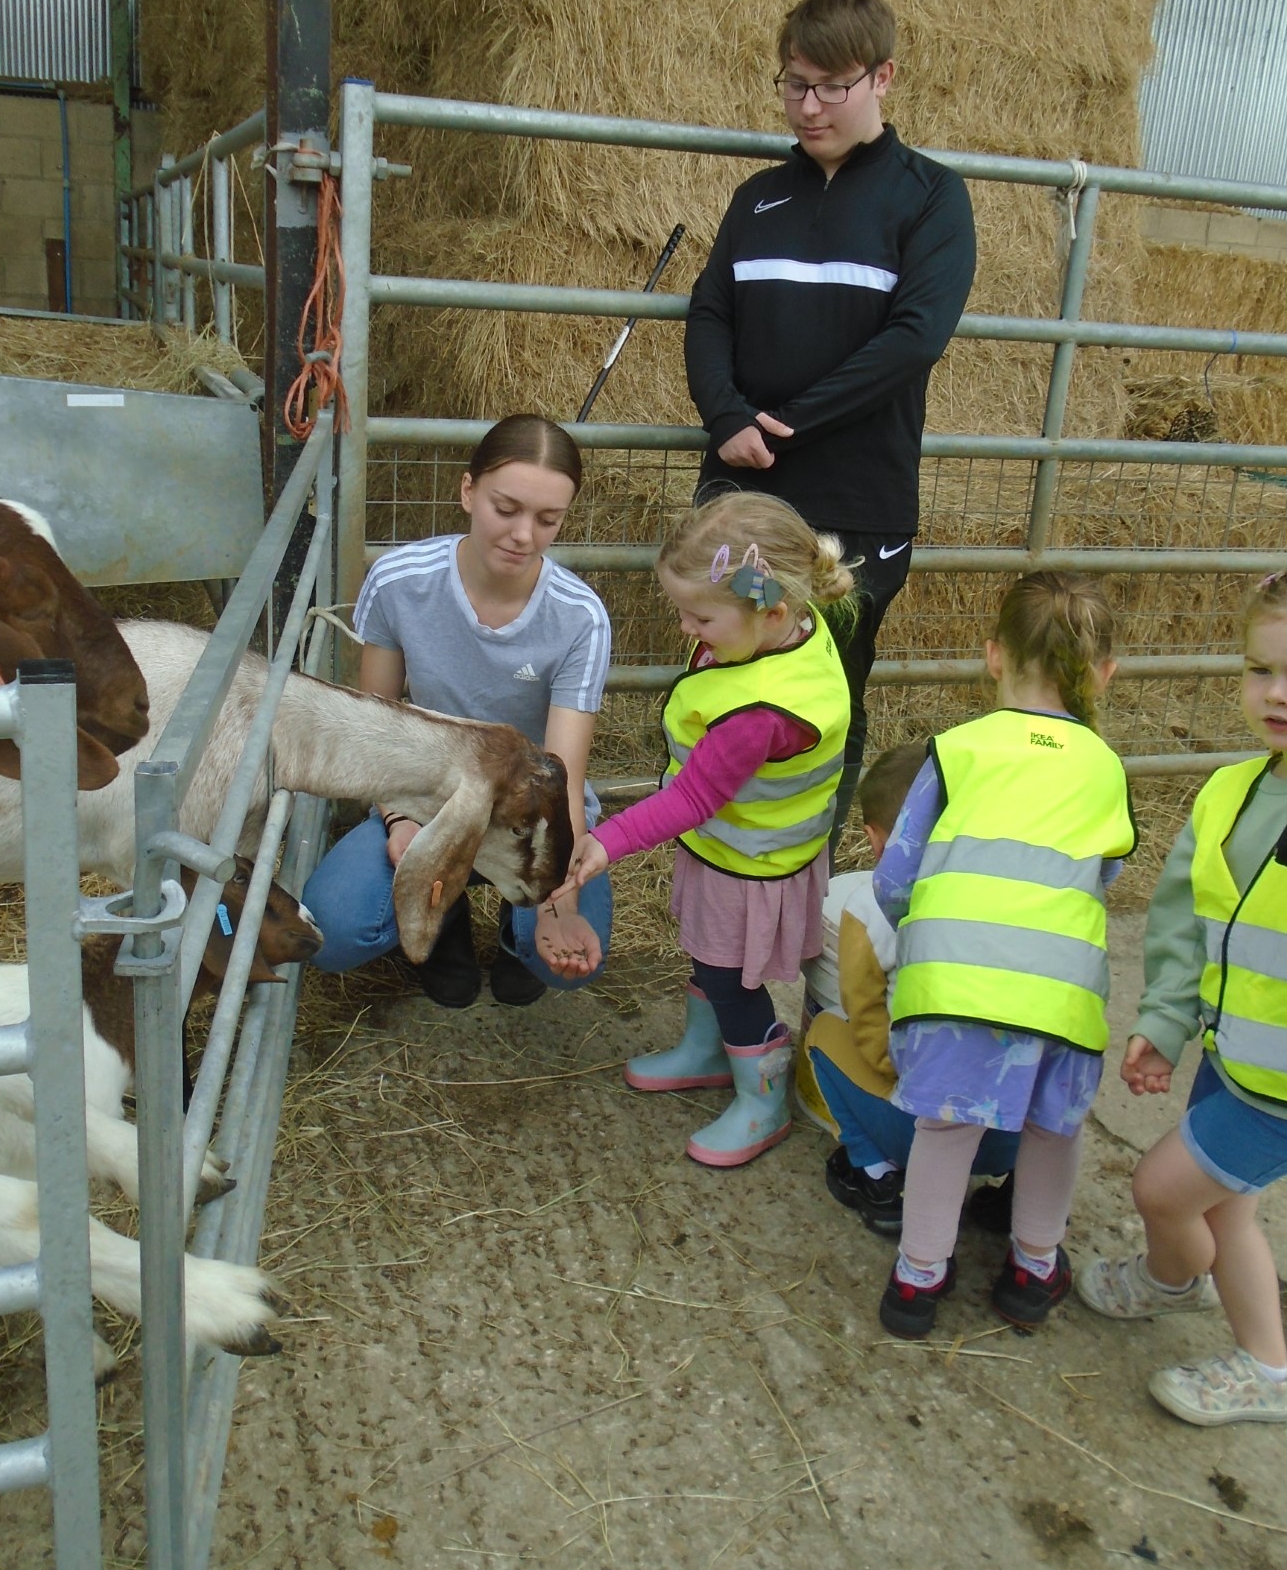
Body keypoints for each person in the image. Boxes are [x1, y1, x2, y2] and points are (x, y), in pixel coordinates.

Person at [684, 0, 977, 846]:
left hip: (854, 510)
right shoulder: (758, 199)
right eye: (792, 84)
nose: (807, 107)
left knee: (825, 687)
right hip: (746, 498)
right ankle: (719, 853)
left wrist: (790, 423)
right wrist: (726, 414)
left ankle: (800, 862)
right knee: (734, 657)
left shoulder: (930, 198)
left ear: (882, 77)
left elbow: (917, 336)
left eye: (830, 87)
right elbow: (710, 312)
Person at [872, 572, 1136, 1340]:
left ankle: (917, 1281)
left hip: (952, 978)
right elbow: (1105, 873)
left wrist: (923, 937)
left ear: (993, 656)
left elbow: (897, 876)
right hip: (1061, 992)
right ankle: (1032, 1267)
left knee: (945, 1129)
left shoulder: (956, 751)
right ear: (1105, 674)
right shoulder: (1106, 768)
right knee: (1055, 1129)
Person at [553, 491, 852, 1168]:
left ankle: (763, 1094)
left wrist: (605, 841)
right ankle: (704, 1050)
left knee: (728, 976)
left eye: (700, 615)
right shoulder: (788, 629)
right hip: (736, 848)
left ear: (771, 611)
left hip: (750, 864)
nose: (687, 628)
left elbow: (693, 797)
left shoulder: (760, 714)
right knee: (709, 954)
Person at [303, 415, 612, 1008]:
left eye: (548, 520)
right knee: (334, 932)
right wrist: (400, 822)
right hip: (426, 793)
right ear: (468, 491)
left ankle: (516, 933)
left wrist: (556, 905)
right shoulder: (399, 581)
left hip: (531, 810)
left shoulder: (580, 617)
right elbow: (378, 728)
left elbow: (562, 774)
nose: (524, 534)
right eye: (506, 508)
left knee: (566, 957)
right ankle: (442, 923)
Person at [1079, 571, 1287, 1427]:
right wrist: (1166, 1021)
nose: (1275, 694)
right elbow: (1181, 925)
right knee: (1222, 1202)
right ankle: (1179, 1286)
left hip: (1278, 1088)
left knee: (1164, 1190)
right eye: (1259, 668)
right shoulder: (1230, 792)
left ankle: (1266, 1367)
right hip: (1234, 1053)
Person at [798, 741, 1019, 1238]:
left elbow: (871, 1025)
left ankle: (877, 1177)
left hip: (927, 1132)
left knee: (827, 1034)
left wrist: (890, 1074)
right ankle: (1021, 1198)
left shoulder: (871, 908)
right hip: (1019, 1131)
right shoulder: (1016, 894)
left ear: (875, 839)